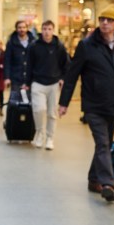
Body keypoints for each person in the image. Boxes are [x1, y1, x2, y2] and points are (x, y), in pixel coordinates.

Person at [58, 5, 114, 203]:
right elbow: (72, 75)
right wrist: (64, 103)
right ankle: (108, 184)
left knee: (106, 144)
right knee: (102, 143)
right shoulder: (87, 45)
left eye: (109, 20)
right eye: (102, 19)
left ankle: (94, 180)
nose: (104, 23)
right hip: (94, 104)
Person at [27, 20, 70, 150]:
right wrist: (28, 83)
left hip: (54, 83)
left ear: (53, 30)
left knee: (52, 113)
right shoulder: (34, 46)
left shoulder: (59, 46)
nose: (47, 32)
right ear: (41, 30)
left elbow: (66, 64)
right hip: (37, 83)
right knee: (38, 109)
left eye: (49, 29)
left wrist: (62, 78)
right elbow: (29, 65)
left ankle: (50, 137)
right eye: (44, 29)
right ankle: (39, 133)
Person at [3, 19, 35, 99]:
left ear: (27, 28)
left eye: (24, 27)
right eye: (19, 27)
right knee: (15, 103)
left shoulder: (33, 42)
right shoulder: (11, 43)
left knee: (30, 103)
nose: (22, 30)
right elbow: (7, 61)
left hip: (31, 78)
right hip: (16, 78)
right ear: (16, 29)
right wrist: (7, 77)